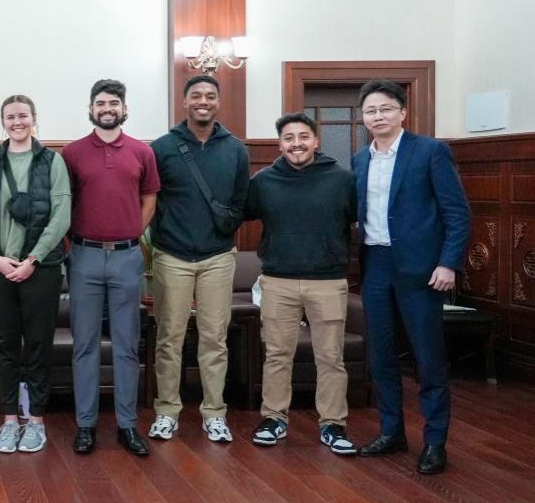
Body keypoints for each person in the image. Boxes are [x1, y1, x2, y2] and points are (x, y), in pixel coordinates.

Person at [353, 80, 470, 475]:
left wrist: (448, 262)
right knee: (381, 356)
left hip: (421, 269)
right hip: (375, 265)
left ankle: (435, 441)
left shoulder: (430, 151)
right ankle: (391, 431)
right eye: (371, 111)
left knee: (428, 357)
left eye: (386, 108)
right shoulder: (360, 159)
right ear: (363, 118)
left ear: (402, 112)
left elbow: (456, 212)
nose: (378, 116)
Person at [244, 112, 358, 455]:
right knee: (277, 355)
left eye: (303, 137)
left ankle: (333, 424)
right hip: (278, 279)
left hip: (328, 281)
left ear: (316, 141)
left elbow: (357, 219)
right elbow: (242, 213)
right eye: (289, 138)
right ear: (280, 145)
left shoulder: (342, 179)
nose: (297, 144)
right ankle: (273, 419)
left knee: (331, 357)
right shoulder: (263, 181)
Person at [148, 74, 250, 444]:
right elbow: (151, 199)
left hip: (218, 257)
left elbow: (240, 200)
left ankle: (214, 413)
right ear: (185, 101)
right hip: (171, 256)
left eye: (209, 95)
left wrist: (224, 233)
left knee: (214, 339)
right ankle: (166, 411)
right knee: (169, 338)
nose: (203, 101)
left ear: (218, 102)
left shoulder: (235, 149)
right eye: (196, 95)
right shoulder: (162, 147)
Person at [0, 95, 71, 454]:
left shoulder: (52, 161)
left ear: (34, 118)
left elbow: (61, 214)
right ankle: (10, 419)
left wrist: (33, 259)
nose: (17, 122)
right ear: (3, 122)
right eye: (10, 117)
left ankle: (37, 421)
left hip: (41, 269)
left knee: (39, 345)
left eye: (23, 116)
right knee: (5, 345)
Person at [62, 80, 158, 456]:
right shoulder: (71, 153)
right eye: (100, 103)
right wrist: (73, 244)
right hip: (83, 255)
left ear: (124, 108)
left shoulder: (142, 152)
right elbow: (62, 204)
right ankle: (85, 424)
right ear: (91, 109)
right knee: (84, 344)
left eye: (113, 103)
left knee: (126, 345)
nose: (107, 108)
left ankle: (127, 425)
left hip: (126, 257)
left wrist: (133, 231)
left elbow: (149, 199)